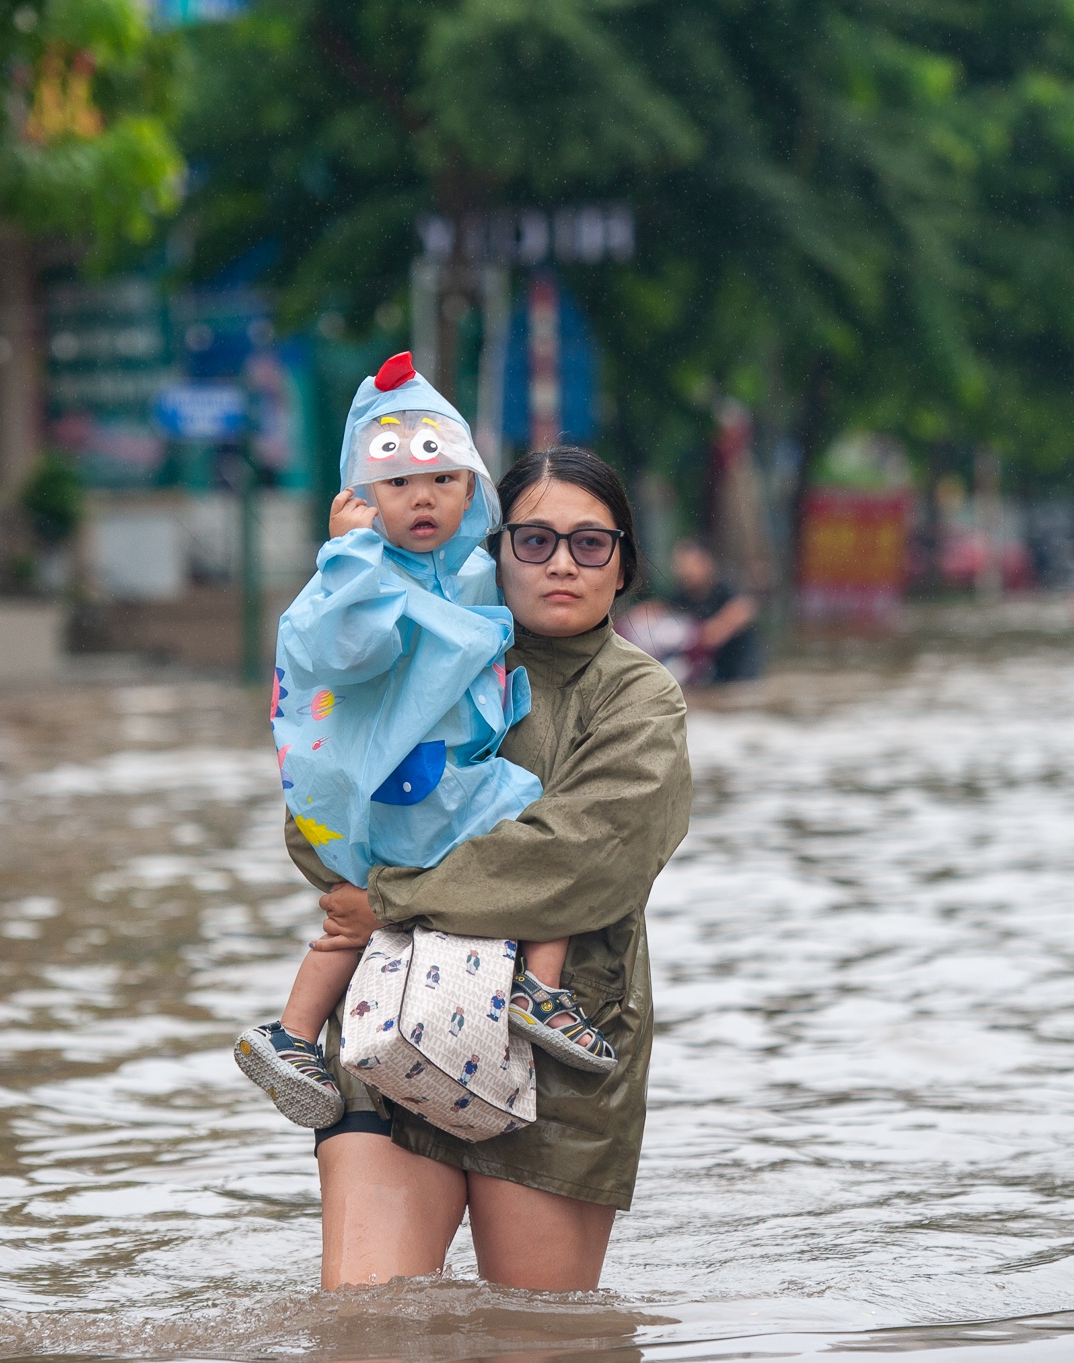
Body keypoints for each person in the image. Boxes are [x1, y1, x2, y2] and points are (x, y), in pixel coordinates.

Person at [290, 446, 691, 1291]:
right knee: (369, 1333)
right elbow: (319, 806)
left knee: (537, 1340)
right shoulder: (410, 650)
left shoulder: (640, 698)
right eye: (534, 539)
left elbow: (579, 860)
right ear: (493, 548)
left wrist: (391, 896)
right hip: (390, 1023)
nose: (560, 564)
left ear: (624, 566)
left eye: (590, 544)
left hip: (559, 1045)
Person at [235, 354, 615, 1132]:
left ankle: (295, 1031)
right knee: (534, 837)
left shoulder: (478, 573)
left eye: (443, 480)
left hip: (430, 778)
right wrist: (347, 557)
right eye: (398, 483)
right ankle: (539, 991)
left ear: (472, 488)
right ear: (360, 497)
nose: (423, 498)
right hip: (407, 782)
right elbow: (341, 653)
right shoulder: (356, 570)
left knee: (354, 916)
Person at [664, 538, 762, 683]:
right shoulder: (680, 596)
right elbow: (659, 612)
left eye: (690, 564)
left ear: (706, 563)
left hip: (740, 669)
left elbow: (746, 607)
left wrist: (714, 629)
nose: (685, 570)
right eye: (680, 565)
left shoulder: (725, 587)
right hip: (711, 674)